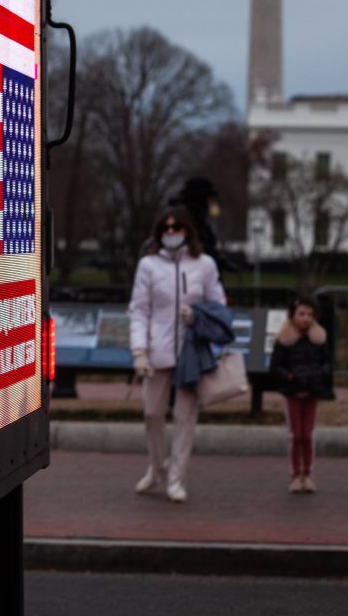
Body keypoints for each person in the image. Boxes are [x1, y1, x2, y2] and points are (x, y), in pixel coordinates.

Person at [128, 206, 228, 503]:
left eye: (176, 227)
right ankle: (157, 468)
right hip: (157, 349)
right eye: (166, 229)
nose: (171, 233)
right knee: (152, 415)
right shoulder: (148, 265)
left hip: (190, 352)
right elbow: (139, 310)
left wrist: (197, 317)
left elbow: (218, 306)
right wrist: (139, 351)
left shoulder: (204, 264)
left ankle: (176, 478)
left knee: (185, 418)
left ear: (187, 230)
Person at [270, 295, 332, 494]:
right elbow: (275, 367)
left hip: (312, 391)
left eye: (310, 314)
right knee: (295, 435)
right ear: (293, 315)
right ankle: (295, 474)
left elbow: (327, 363)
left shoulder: (319, 339)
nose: (305, 318)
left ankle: (308, 473)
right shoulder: (284, 340)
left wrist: (320, 375)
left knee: (308, 434)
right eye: (301, 314)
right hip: (292, 392)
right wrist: (289, 377)